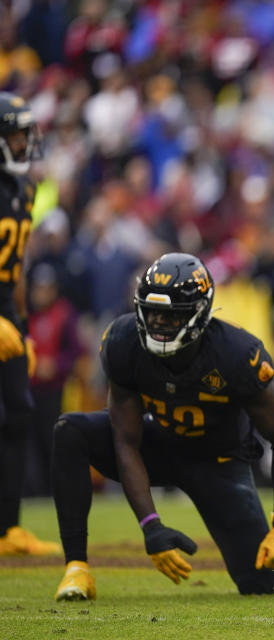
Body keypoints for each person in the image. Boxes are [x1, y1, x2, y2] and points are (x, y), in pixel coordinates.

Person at [52, 253, 274, 601]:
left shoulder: (235, 353)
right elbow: (125, 440)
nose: (158, 323)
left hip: (218, 463)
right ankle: (76, 568)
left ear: (200, 312)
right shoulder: (124, 342)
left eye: (170, 315)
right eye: (152, 312)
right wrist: (150, 526)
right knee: (70, 431)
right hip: (160, 445)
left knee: (265, 584)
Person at [0, 92, 59, 557]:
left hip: (5, 312)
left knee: (19, 412)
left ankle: (8, 528)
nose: (25, 143)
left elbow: (15, 268)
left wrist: (19, 325)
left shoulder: (23, 189)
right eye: (17, 134)